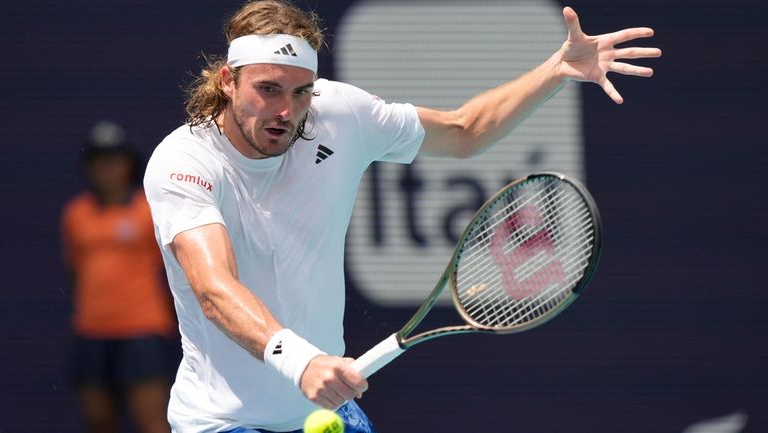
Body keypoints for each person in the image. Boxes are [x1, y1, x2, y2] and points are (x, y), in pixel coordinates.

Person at [142, 1, 661, 432]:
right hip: (222, 422)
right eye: (268, 89)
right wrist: (301, 362)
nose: (286, 110)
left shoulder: (339, 115)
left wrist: (557, 70)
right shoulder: (183, 162)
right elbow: (213, 289)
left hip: (324, 410)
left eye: (301, 92)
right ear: (228, 81)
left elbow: (464, 130)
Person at [61, 120, 177, 433]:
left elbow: (170, 272)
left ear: (128, 164)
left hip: (142, 331)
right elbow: (75, 270)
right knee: (98, 421)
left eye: (114, 160)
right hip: (92, 331)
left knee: (152, 422)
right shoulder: (75, 214)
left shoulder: (148, 210)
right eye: (99, 161)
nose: (107, 168)